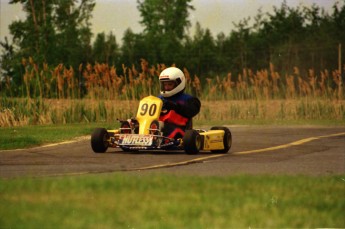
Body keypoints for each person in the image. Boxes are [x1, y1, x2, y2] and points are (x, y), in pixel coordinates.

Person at [157, 67, 201, 139]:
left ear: (178, 83)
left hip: (180, 130)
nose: (167, 87)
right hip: (158, 127)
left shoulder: (188, 99)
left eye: (170, 84)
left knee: (167, 128)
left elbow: (191, 111)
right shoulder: (159, 99)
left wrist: (175, 106)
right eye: (165, 85)